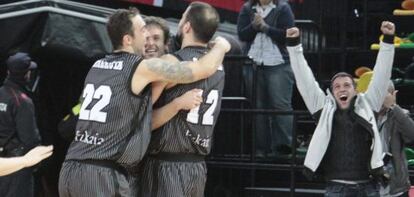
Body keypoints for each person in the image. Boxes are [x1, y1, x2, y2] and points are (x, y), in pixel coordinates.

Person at [58, 7, 230, 197]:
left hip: (72, 167)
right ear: (127, 39)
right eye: (142, 30)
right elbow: (201, 69)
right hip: (102, 175)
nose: (147, 35)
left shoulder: (97, 67)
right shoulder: (142, 67)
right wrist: (222, 46)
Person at [286, 21, 395, 196]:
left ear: (356, 90)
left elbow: (382, 74)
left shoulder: (369, 104)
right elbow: (304, 80)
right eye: (337, 86)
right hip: (336, 188)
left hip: (368, 187)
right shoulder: (323, 109)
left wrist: (388, 41)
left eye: (347, 85)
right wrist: (294, 46)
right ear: (332, 93)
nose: (342, 88)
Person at [139, 2, 224, 196]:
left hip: (166, 165)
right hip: (197, 168)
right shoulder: (218, 66)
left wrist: (176, 104)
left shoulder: (171, 62)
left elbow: (142, 118)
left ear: (186, 27)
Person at [237, 0, 295, 158]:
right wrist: (254, 27)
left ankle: (284, 151)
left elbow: (288, 36)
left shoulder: (283, 8)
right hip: (252, 63)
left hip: (278, 63)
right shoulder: (248, 8)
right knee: (258, 109)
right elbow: (242, 34)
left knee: (281, 106)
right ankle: (260, 151)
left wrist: (265, 28)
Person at [0, 52, 42, 197]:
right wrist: (35, 161)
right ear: (26, 74)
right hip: (16, 166)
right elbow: (30, 139)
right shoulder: (22, 101)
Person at [376, 81, 414, 197]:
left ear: (393, 94)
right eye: (377, 93)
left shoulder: (399, 115)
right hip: (369, 187)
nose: (380, 98)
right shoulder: (364, 116)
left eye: (384, 93)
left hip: (396, 187)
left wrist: (393, 107)